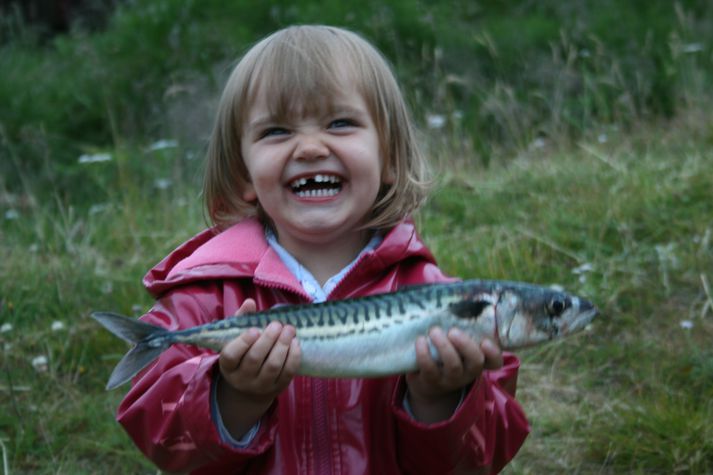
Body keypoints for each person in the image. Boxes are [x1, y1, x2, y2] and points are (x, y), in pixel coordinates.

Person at [116, 25, 529, 474]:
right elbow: (162, 436)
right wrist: (235, 396)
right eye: (276, 131)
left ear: (389, 157)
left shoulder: (436, 297)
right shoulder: (204, 298)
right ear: (244, 176)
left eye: (340, 123)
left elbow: (479, 459)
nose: (311, 148)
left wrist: (441, 397)